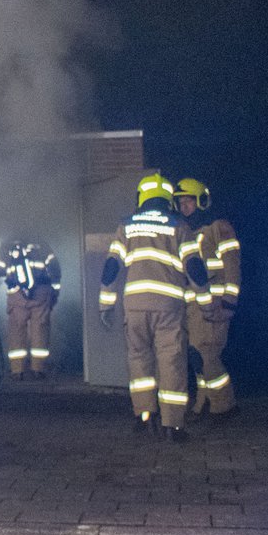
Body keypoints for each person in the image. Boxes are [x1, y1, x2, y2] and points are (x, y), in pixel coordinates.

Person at [98, 171, 208, 442]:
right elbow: (195, 269)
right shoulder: (179, 227)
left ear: (142, 197)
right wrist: (205, 302)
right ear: (167, 199)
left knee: (139, 360)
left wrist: (106, 306)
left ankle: (145, 416)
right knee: (172, 362)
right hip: (168, 306)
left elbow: (111, 268)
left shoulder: (126, 226)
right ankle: (173, 426)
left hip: (135, 306)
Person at [175, 177, 241, 418]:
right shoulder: (186, 232)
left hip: (215, 305)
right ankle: (204, 403)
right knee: (196, 357)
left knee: (208, 355)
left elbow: (232, 266)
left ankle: (225, 405)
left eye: (188, 202)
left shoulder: (219, 228)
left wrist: (229, 302)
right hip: (192, 307)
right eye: (180, 203)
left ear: (202, 201)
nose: (184, 207)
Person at [0, 241, 60, 380]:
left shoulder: (8, 244)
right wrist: (55, 292)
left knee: (16, 330)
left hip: (16, 293)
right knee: (40, 329)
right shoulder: (42, 244)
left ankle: (17, 370)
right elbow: (55, 269)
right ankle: (38, 369)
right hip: (41, 292)